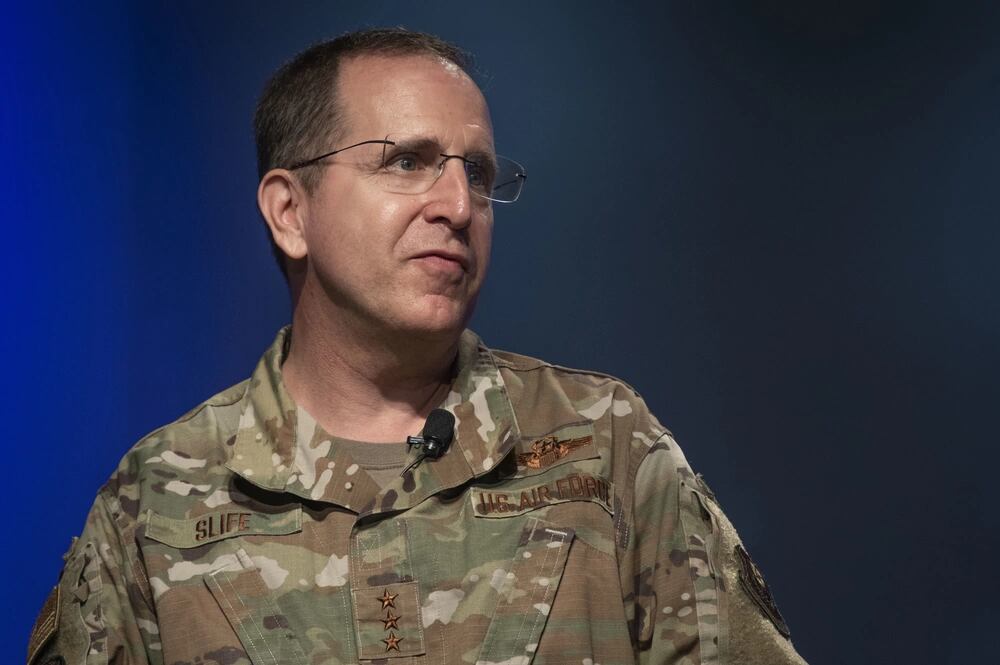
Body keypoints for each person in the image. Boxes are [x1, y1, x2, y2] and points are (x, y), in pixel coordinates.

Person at [28, 28, 807, 665]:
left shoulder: (604, 446)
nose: (460, 204)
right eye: (407, 162)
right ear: (289, 211)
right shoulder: (154, 501)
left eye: (478, 171)